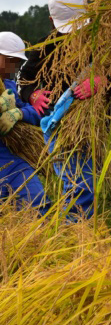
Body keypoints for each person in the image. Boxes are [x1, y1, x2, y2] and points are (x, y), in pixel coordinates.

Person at [18, 0, 107, 219]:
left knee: (87, 185)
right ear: (51, 21)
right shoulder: (45, 46)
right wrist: (32, 95)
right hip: (60, 127)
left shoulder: (102, 42)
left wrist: (103, 81)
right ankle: (74, 236)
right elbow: (24, 79)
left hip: (94, 127)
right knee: (81, 187)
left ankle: (78, 234)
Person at [0, 32, 50, 214]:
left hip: (12, 160)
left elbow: (37, 114)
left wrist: (19, 113)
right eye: (11, 61)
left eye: (17, 63)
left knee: (39, 204)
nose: (14, 67)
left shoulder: (10, 86)